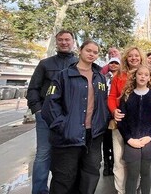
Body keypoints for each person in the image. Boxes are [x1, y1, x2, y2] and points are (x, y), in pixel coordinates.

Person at [41, 40, 109, 194]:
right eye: (88, 50)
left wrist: (102, 122)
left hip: (93, 135)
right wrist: (62, 126)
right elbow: (49, 106)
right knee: (64, 177)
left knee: (90, 174)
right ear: (80, 50)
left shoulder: (100, 77)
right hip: (68, 135)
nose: (92, 54)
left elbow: (103, 103)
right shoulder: (63, 75)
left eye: (95, 52)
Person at [27, 30, 78, 194]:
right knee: (43, 154)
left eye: (67, 40)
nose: (64, 42)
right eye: (61, 40)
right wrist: (38, 110)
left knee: (68, 155)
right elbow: (33, 89)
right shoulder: (45, 64)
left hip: (70, 117)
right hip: (45, 117)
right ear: (56, 42)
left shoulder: (79, 64)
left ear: (73, 42)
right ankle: (40, 191)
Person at [108, 46, 151, 194]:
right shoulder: (121, 82)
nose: (134, 58)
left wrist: (150, 134)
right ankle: (121, 190)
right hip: (125, 128)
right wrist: (115, 112)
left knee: (144, 169)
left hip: (146, 135)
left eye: (137, 56)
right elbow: (113, 97)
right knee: (121, 162)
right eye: (130, 56)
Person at [118, 65, 151, 194]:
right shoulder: (126, 96)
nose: (142, 76)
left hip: (149, 140)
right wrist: (129, 139)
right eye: (140, 74)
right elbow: (121, 121)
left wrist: (150, 136)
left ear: (149, 78)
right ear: (135, 76)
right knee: (132, 174)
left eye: (146, 75)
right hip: (131, 141)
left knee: (146, 172)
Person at [103, 57, 121, 176]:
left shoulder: (121, 77)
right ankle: (107, 164)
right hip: (105, 110)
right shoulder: (103, 77)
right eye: (111, 63)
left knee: (116, 140)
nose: (113, 65)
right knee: (106, 140)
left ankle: (114, 163)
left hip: (116, 110)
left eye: (116, 63)